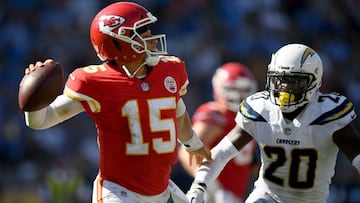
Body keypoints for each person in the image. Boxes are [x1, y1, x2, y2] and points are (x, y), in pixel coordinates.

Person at [22, 2, 212, 203]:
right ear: (119, 42)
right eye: (142, 31)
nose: (151, 37)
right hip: (118, 193)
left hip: (161, 190)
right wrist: (33, 96)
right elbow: (40, 121)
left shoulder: (170, 69)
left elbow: (177, 112)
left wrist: (192, 143)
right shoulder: (95, 82)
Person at [186, 43, 360, 203]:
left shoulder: (329, 114)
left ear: (314, 81)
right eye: (280, 80)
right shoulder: (261, 108)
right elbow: (222, 152)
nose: (284, 87)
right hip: (267, 196)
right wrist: (199, 185)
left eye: (293, 82)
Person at [178, 62, 259, 203]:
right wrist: (208, 185)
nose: (240, 95)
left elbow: (246, 164)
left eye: (244, 89)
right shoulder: (216, 114)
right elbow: (187, 151)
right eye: (234, 89)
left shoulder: (248, 117)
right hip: (216, 195)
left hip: (235, 195)